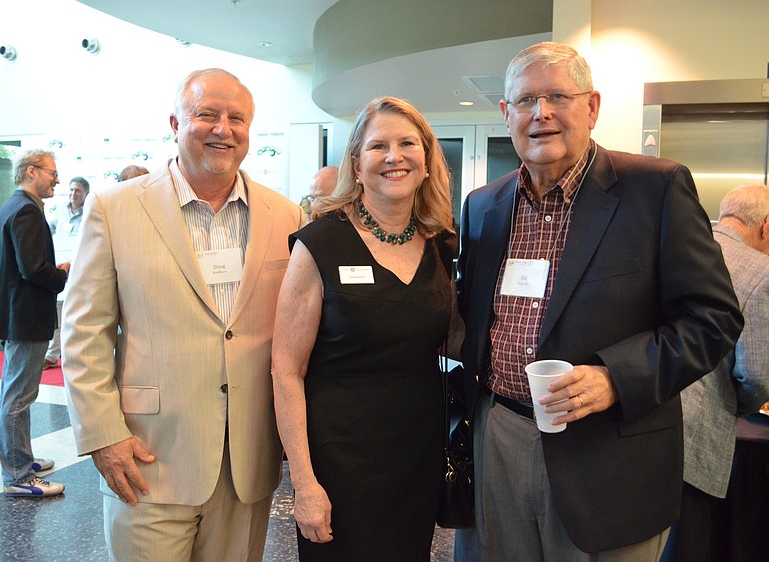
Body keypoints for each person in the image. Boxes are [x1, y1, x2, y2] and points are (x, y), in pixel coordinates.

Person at [454, 42, 743, 561]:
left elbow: (714, 317)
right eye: (525, 101)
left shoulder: (654, 190)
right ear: (506, 114)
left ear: (592, 107)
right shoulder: (483, 206)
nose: (540, 113)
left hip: (607, 455)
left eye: (558, 96)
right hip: (499, 440)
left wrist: (616, 378)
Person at [61, 69, 304, 562]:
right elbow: (84, 332)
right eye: (207, 115)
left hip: (247, 461)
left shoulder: (286, 216)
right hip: (149, 456)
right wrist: (104, 435)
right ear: (175, 122)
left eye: (237, 118)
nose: (223, 129)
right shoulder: (116, 208)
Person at [271, 96, 457, 562]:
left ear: (427, 156)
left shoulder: (442, 243)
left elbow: (452, 336)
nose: (394, 156)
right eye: (378, 146)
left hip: (417, 451)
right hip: (339, 460)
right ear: (356, 162)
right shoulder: (320, 242)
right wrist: (304, 481)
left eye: (407, 143)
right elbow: (285, 370)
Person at [663, 183, 769, 562]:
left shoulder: (675, 248)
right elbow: (755, 375)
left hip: (642, 424)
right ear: (765, 226)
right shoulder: (761, 271)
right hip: (698, 437)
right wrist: (737, 406)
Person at [0, 148, 70, 497]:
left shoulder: (11, 206)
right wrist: (62, 274)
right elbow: (34, 269)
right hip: (25, 316)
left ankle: (21, 459)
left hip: (16, 314)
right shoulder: (26, 211)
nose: (57, 179)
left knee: (14, 394)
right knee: (18, 398)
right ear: (31, 171)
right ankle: (19, 476)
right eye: (52, 172)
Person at [42, 177, 90, 370]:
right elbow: (49, 232)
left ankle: (77, 356)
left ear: (86, 193)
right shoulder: (60, 211)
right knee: (59, 310)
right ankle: (52, 354)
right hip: (61, 268)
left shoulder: (90, 212)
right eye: (71, 190)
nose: (73, 194)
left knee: (79, 313)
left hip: (81, 268)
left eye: (77, 191)